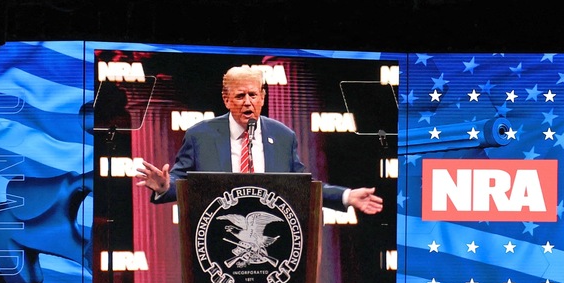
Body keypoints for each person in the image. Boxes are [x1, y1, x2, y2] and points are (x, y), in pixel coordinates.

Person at [136, 65, 384, 215]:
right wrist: (165, 187)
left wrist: (346, 196)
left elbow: (303, 186)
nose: (248, 102)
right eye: (240, 95)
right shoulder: (201, 135)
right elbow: (182, 179)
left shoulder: (283, 136)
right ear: (226, 99)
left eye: (253, 95)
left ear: (263, 97)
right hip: (217, 242)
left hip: (271, 241)